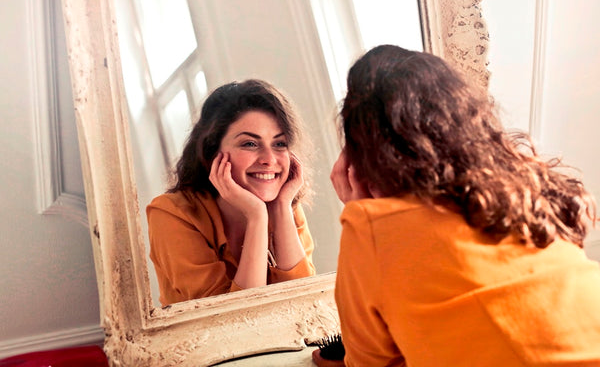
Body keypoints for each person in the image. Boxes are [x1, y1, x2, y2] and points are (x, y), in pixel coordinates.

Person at [329, 45, 600, 366]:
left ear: (360, 163)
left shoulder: (372, 228)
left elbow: (370, 364)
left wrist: (359, 211)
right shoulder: (529, 186)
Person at [147, 79, 316, 306]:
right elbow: (229, 320)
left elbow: (303, 304)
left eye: (279, 144)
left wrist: (281, 209)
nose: (269, 159)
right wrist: (256, 217)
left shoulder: (285, 205)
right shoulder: (171, 213)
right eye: (249, 144)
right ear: (212, 152)